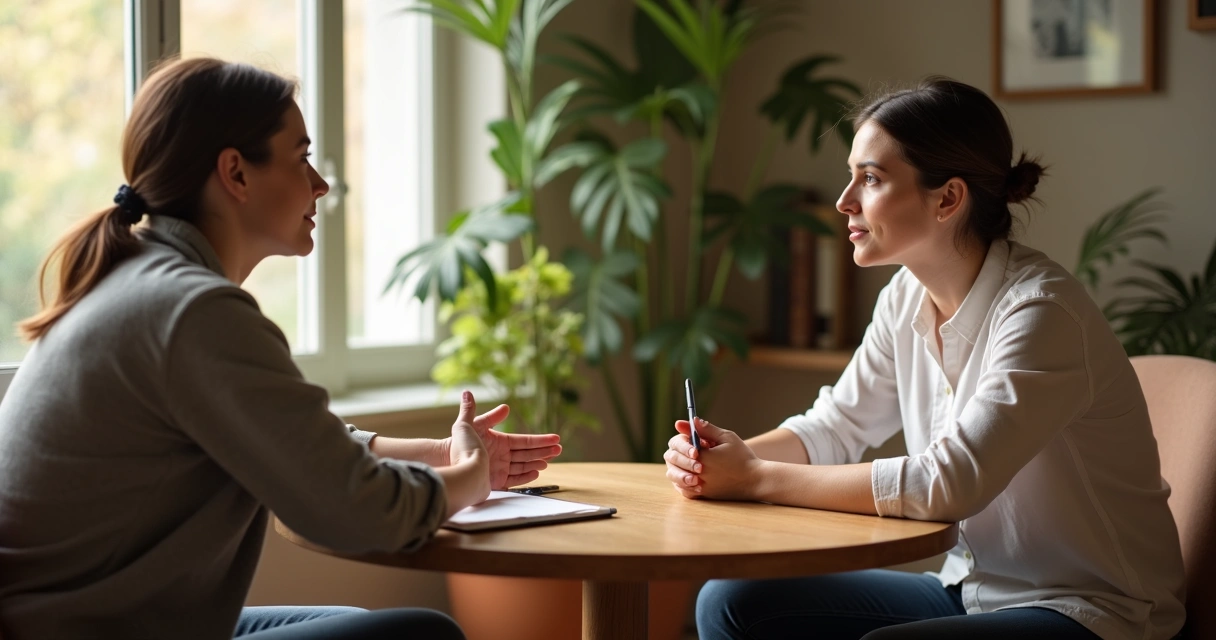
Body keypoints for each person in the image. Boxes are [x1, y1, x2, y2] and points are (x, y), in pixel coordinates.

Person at [0, 57, 562, 640]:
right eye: (301, 157)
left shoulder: (143, 283)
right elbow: (358, 512)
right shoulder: (192, 311)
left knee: (355, 626)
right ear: (236, 174)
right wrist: (472, 477)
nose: (320, 183)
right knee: (421, 635)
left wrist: (442, 453)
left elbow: (293, 440)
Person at [665, 77, 1186, 640]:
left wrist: (756, 478)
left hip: (1094, 611)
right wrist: (719, 461)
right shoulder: (905, 297)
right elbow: (835, 427)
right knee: (731, 601)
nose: (844, 201)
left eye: (870, 178)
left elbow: (949, 483)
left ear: (948, 199)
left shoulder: (1042, 313)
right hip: (970, 590)